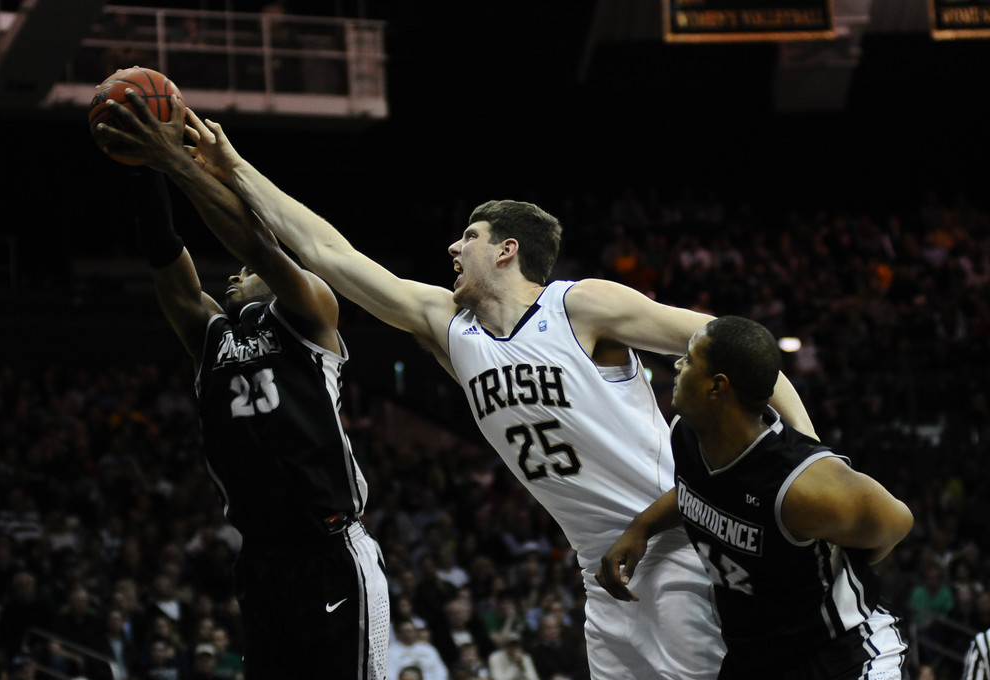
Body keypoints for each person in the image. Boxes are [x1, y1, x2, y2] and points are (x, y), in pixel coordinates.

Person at [95, 91, 817, 680]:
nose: (451, 247)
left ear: (508, 250)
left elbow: (747, 355)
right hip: (600, 568)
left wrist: (810, 469)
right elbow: (325, 250)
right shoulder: (449, 327)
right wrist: (233, 165)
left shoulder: (580, 305)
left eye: (467, 238)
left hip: (678, 541)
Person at [95, 105, 388, 680]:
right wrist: (141, 166)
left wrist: (174, 160)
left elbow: (260, 251)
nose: (234, 274)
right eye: (228, 273)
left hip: (330, 550)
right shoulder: (207, 334)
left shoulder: (310, 314)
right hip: (261, 560)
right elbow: (163, 251)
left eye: (243, 270)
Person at [596, 316, 914, 680]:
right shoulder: (686, 434)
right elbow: (698, 494)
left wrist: (842, 575)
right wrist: (643, 526)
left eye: (689, 359)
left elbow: (897, 523)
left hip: (839, 653)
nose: (678, 365)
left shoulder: (800, 483)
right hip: (757, 659)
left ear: (717, 387)